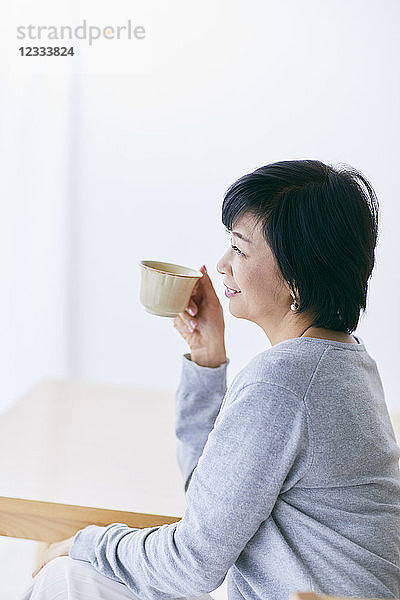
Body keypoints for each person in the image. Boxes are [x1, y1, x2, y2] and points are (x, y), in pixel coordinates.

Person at [21, 160, 400, 600]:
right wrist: (207, 357)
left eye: (240, 249)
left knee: (64, 577)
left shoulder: (283, 383)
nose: (222, 264)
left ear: (297, 273)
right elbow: (214, 503)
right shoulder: (343, 361)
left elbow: (191, 565)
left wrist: (85, 543)